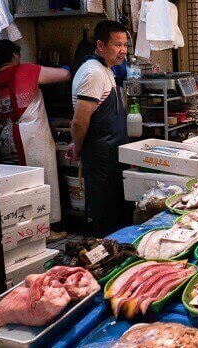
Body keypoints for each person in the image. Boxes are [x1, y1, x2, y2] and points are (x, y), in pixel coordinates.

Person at [0, 39, 71, 242]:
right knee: (40, 180)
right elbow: (64, 75)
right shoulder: (25, 70)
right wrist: (68, 65)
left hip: (6, 134)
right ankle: (45, 231)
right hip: (30, 134)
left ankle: (22, 231)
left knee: (16, 186)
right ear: (15, 55)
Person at [68, 20, 131, 237]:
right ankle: (106, 259)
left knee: (116, 212)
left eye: (124, 45)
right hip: (101, 158)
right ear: (100, 45)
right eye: (117, 45)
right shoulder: (93, 72)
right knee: (106, 215)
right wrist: (78, 147)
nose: (122, 50)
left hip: (112, 154)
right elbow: (79, 121)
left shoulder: (106, 70)